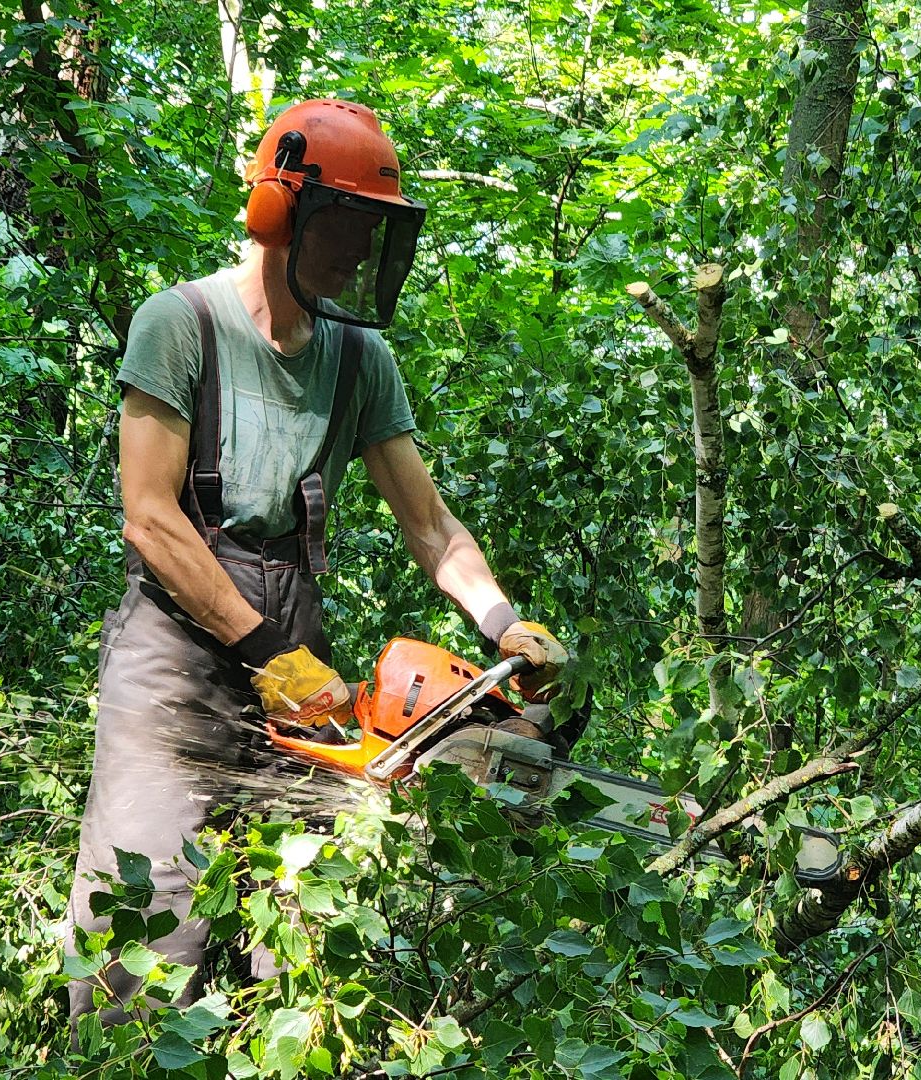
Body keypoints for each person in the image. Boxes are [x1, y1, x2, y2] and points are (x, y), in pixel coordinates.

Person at [65, 98, 568, 1020]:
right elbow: (150, 520)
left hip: (295, 650)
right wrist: (267, 656)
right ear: (278, 213)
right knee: (139, 924)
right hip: (176, 659)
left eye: (373, 232)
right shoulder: (181, 326)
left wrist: (503, 623)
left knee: (301, 928)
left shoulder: (358, 359)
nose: (355, 254)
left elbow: (433, 527)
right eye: (342, 225)